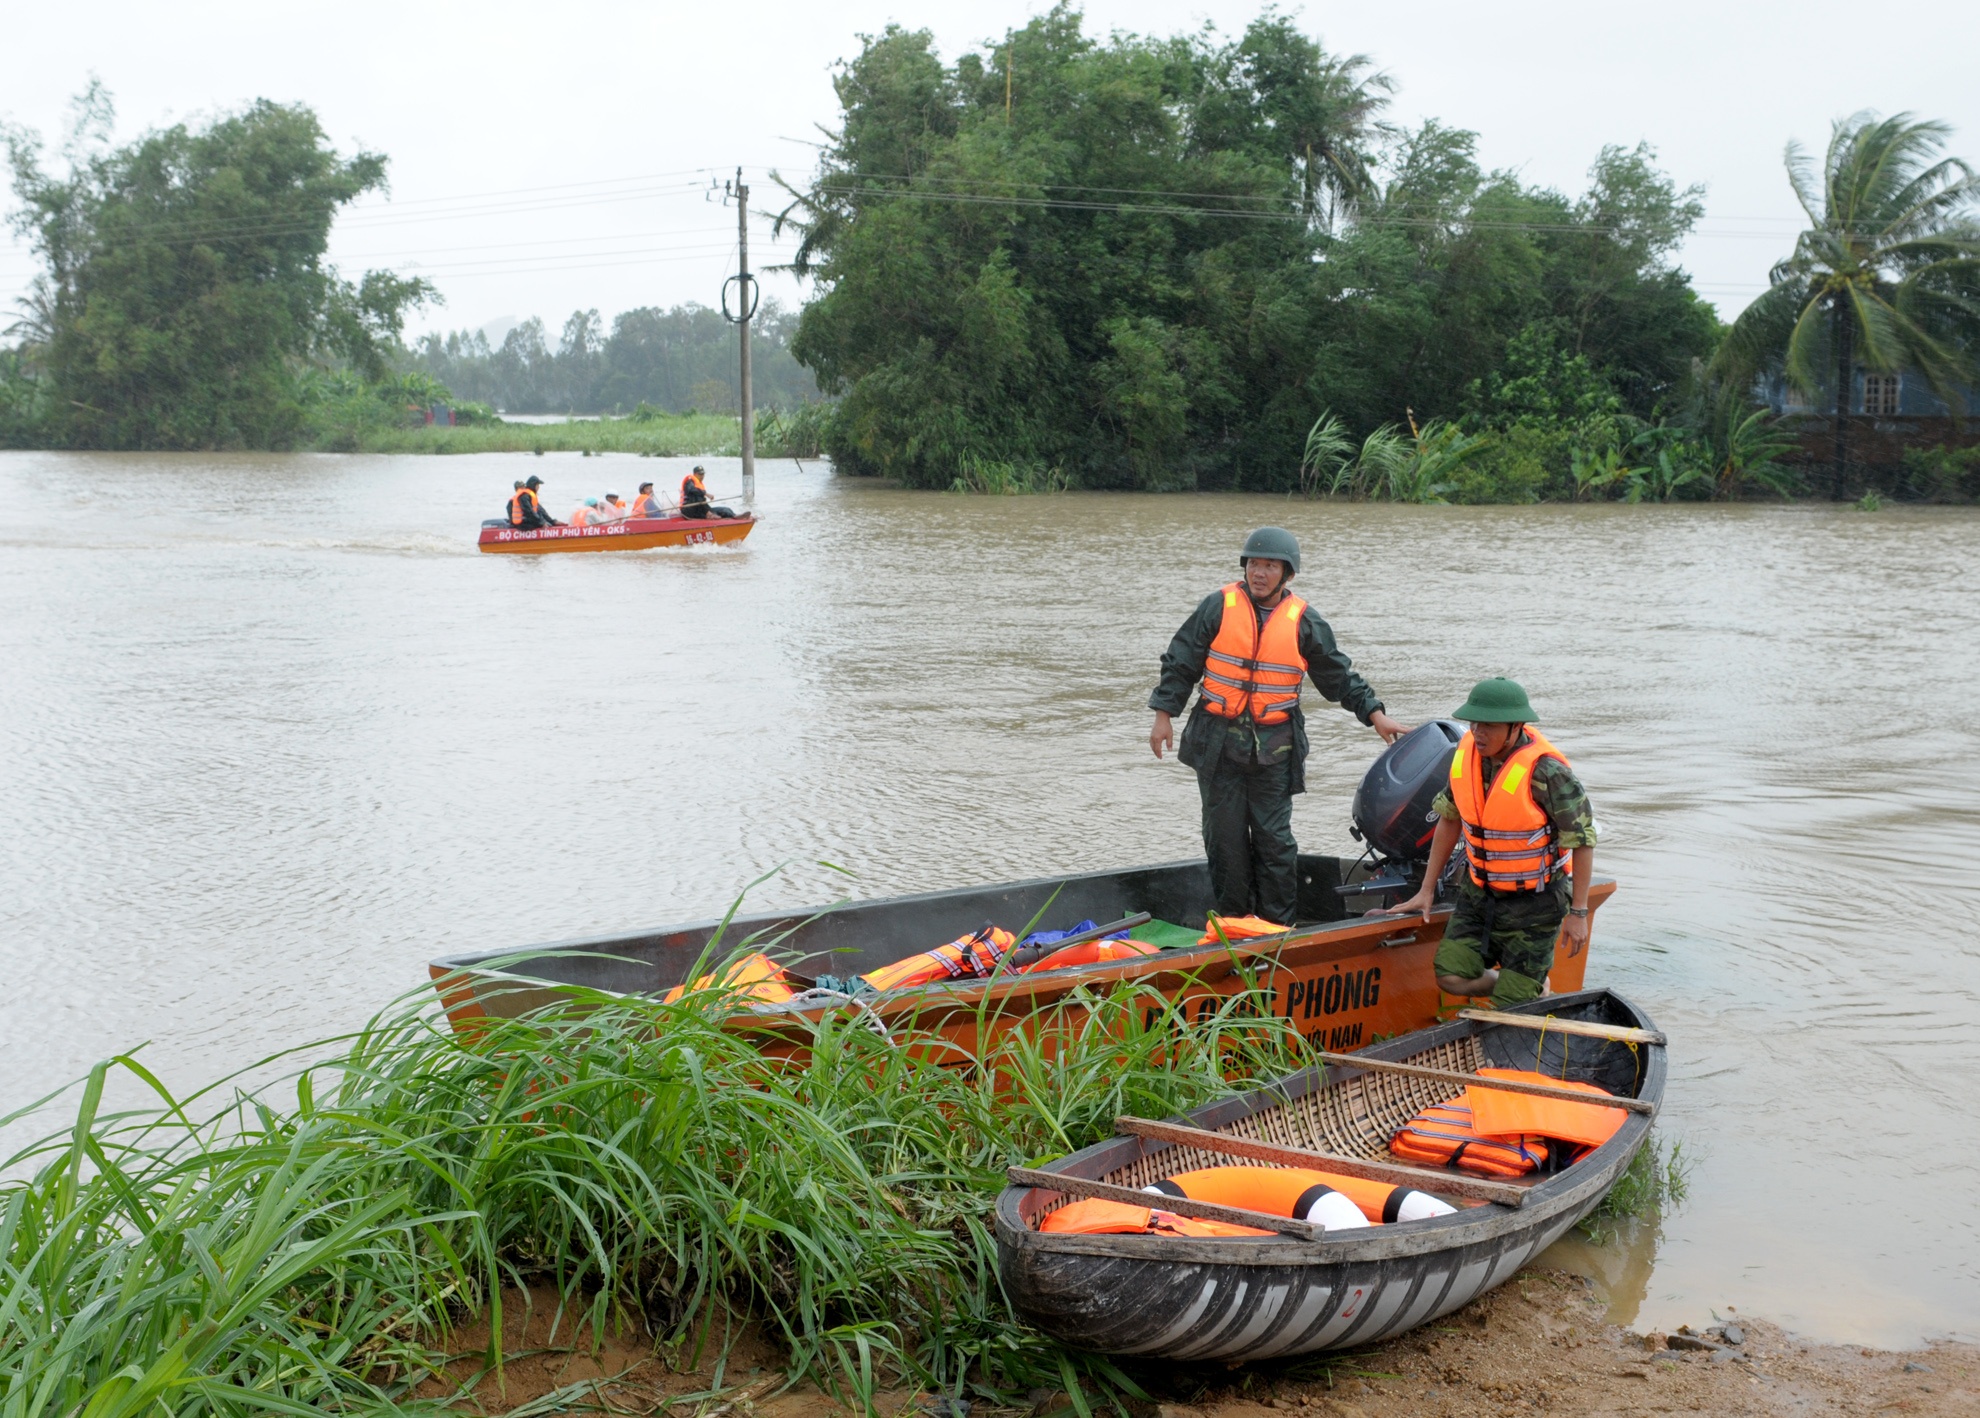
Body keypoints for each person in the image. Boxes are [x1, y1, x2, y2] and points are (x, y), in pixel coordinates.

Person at [1149, 527, 1406, 926]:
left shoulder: (1304, 621)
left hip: (1275, 751)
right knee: (1225, 842)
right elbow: (1181, 661)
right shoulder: (1217, 606)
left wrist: (1375, 713)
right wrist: (1164, 715)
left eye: (1270, 566)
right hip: (1217, 747)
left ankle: (1275, 927)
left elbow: (1338, 676)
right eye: (1254, 564)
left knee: (1275, 843)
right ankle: (1235, 924)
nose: (1260, 572)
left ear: (1287, 574)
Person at [1389, 677, 1598, 1009]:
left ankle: (1523, 990)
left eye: (1489, 726)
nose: (1478, 733)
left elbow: (1583, 842)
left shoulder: (1547, 772)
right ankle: (1528, 987)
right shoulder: (1467, 758)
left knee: (1511, 1006)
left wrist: (1579, 913)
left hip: (1537, 904)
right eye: (1473, 724)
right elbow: (1449, 818)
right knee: (1450, 975)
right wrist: (1427, 888)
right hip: (1480, 897)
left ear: (1516, 727)